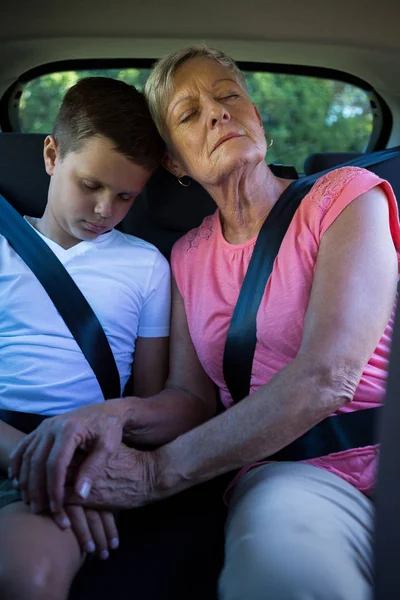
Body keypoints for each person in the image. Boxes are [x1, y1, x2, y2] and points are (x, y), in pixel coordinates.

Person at [10, 45, 400, 600]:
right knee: (285, 573)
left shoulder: (346, 198)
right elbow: (188, 399)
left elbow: (329, 374)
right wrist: (113, 418)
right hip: (294, 473)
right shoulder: (187, 258)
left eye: (228, 96)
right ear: (174, 163)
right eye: (189, 114)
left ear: (257, 118)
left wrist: (154, 473)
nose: (218, 113)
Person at [0, 77, 171, 600]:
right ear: (52, 155)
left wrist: (79, 474)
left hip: (70, 461)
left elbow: (149, 403)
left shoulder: (146, 267)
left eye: (125, 196)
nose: (104, 210)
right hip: (22, 447)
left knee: (25, 575)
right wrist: (39, 461)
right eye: (89, 184)